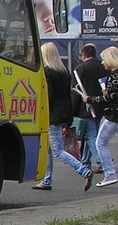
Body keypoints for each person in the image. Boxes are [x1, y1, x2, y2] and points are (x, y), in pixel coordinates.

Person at [34, 42, 94, 191]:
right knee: (47, 149)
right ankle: (46, 180)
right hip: (62, 113)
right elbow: (68, 95)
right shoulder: (63, 71)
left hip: (51, 115)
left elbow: (49, 96)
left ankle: (84, 171)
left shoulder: (47, 72)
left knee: (57, 151)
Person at [83, 46, 118, 189]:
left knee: (100, 143)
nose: (102, 63)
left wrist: (90, 99)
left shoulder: (113, 76)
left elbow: (108, 98)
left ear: (110, 60)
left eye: (104, 60)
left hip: (114, 115)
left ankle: (110, 175)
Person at [72, 43, 106, 172]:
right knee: (92, 134)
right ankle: (85, 161)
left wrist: (73, 111)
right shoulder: (103, 68)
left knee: (91, 136)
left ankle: (101, 161)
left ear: (84, 55)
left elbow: (76, 91)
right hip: (100, 106)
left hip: (86, 108)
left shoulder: (80, 69)